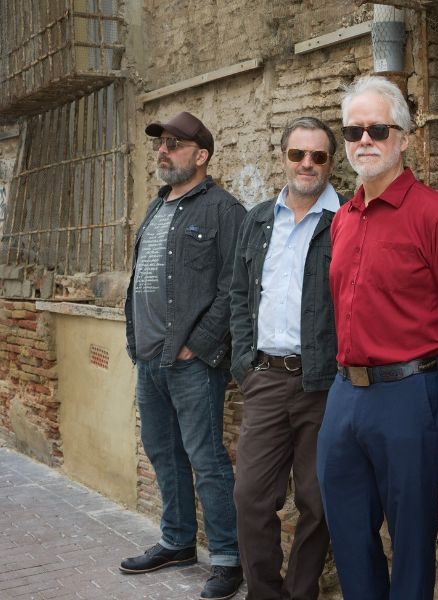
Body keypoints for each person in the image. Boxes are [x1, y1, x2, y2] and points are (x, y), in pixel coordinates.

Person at [315, 74, 438, 600]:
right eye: (354, 130)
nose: (365, 140)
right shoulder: (343, 218)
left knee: (411, 545)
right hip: (344, 395)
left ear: (405, 137)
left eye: (378, 129)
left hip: (410, 397)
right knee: (349, 534)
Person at [121, 111, 246, 600]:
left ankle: (228, 557)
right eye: (161, 143)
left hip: (190, 362)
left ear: (201, 155)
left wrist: (201, 345)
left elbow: (235, 286)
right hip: (149, 357)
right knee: (162, 451)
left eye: (174, 143)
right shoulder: (156, 206)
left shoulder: (222, 210)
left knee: (206, 457)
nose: (163, 150)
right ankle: (175, 541)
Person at [229, 117, 345, 599]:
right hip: (266, 378)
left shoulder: (345, 221)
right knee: (251, 499)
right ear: (283, 157)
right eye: (298, 154)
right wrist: (244, 364)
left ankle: (302, 593)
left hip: (323, 384)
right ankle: (264, 593)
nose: (307, 164)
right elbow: (238, 293)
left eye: (318, 156)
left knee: (318, 503)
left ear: (330, 163)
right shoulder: (257, 219)